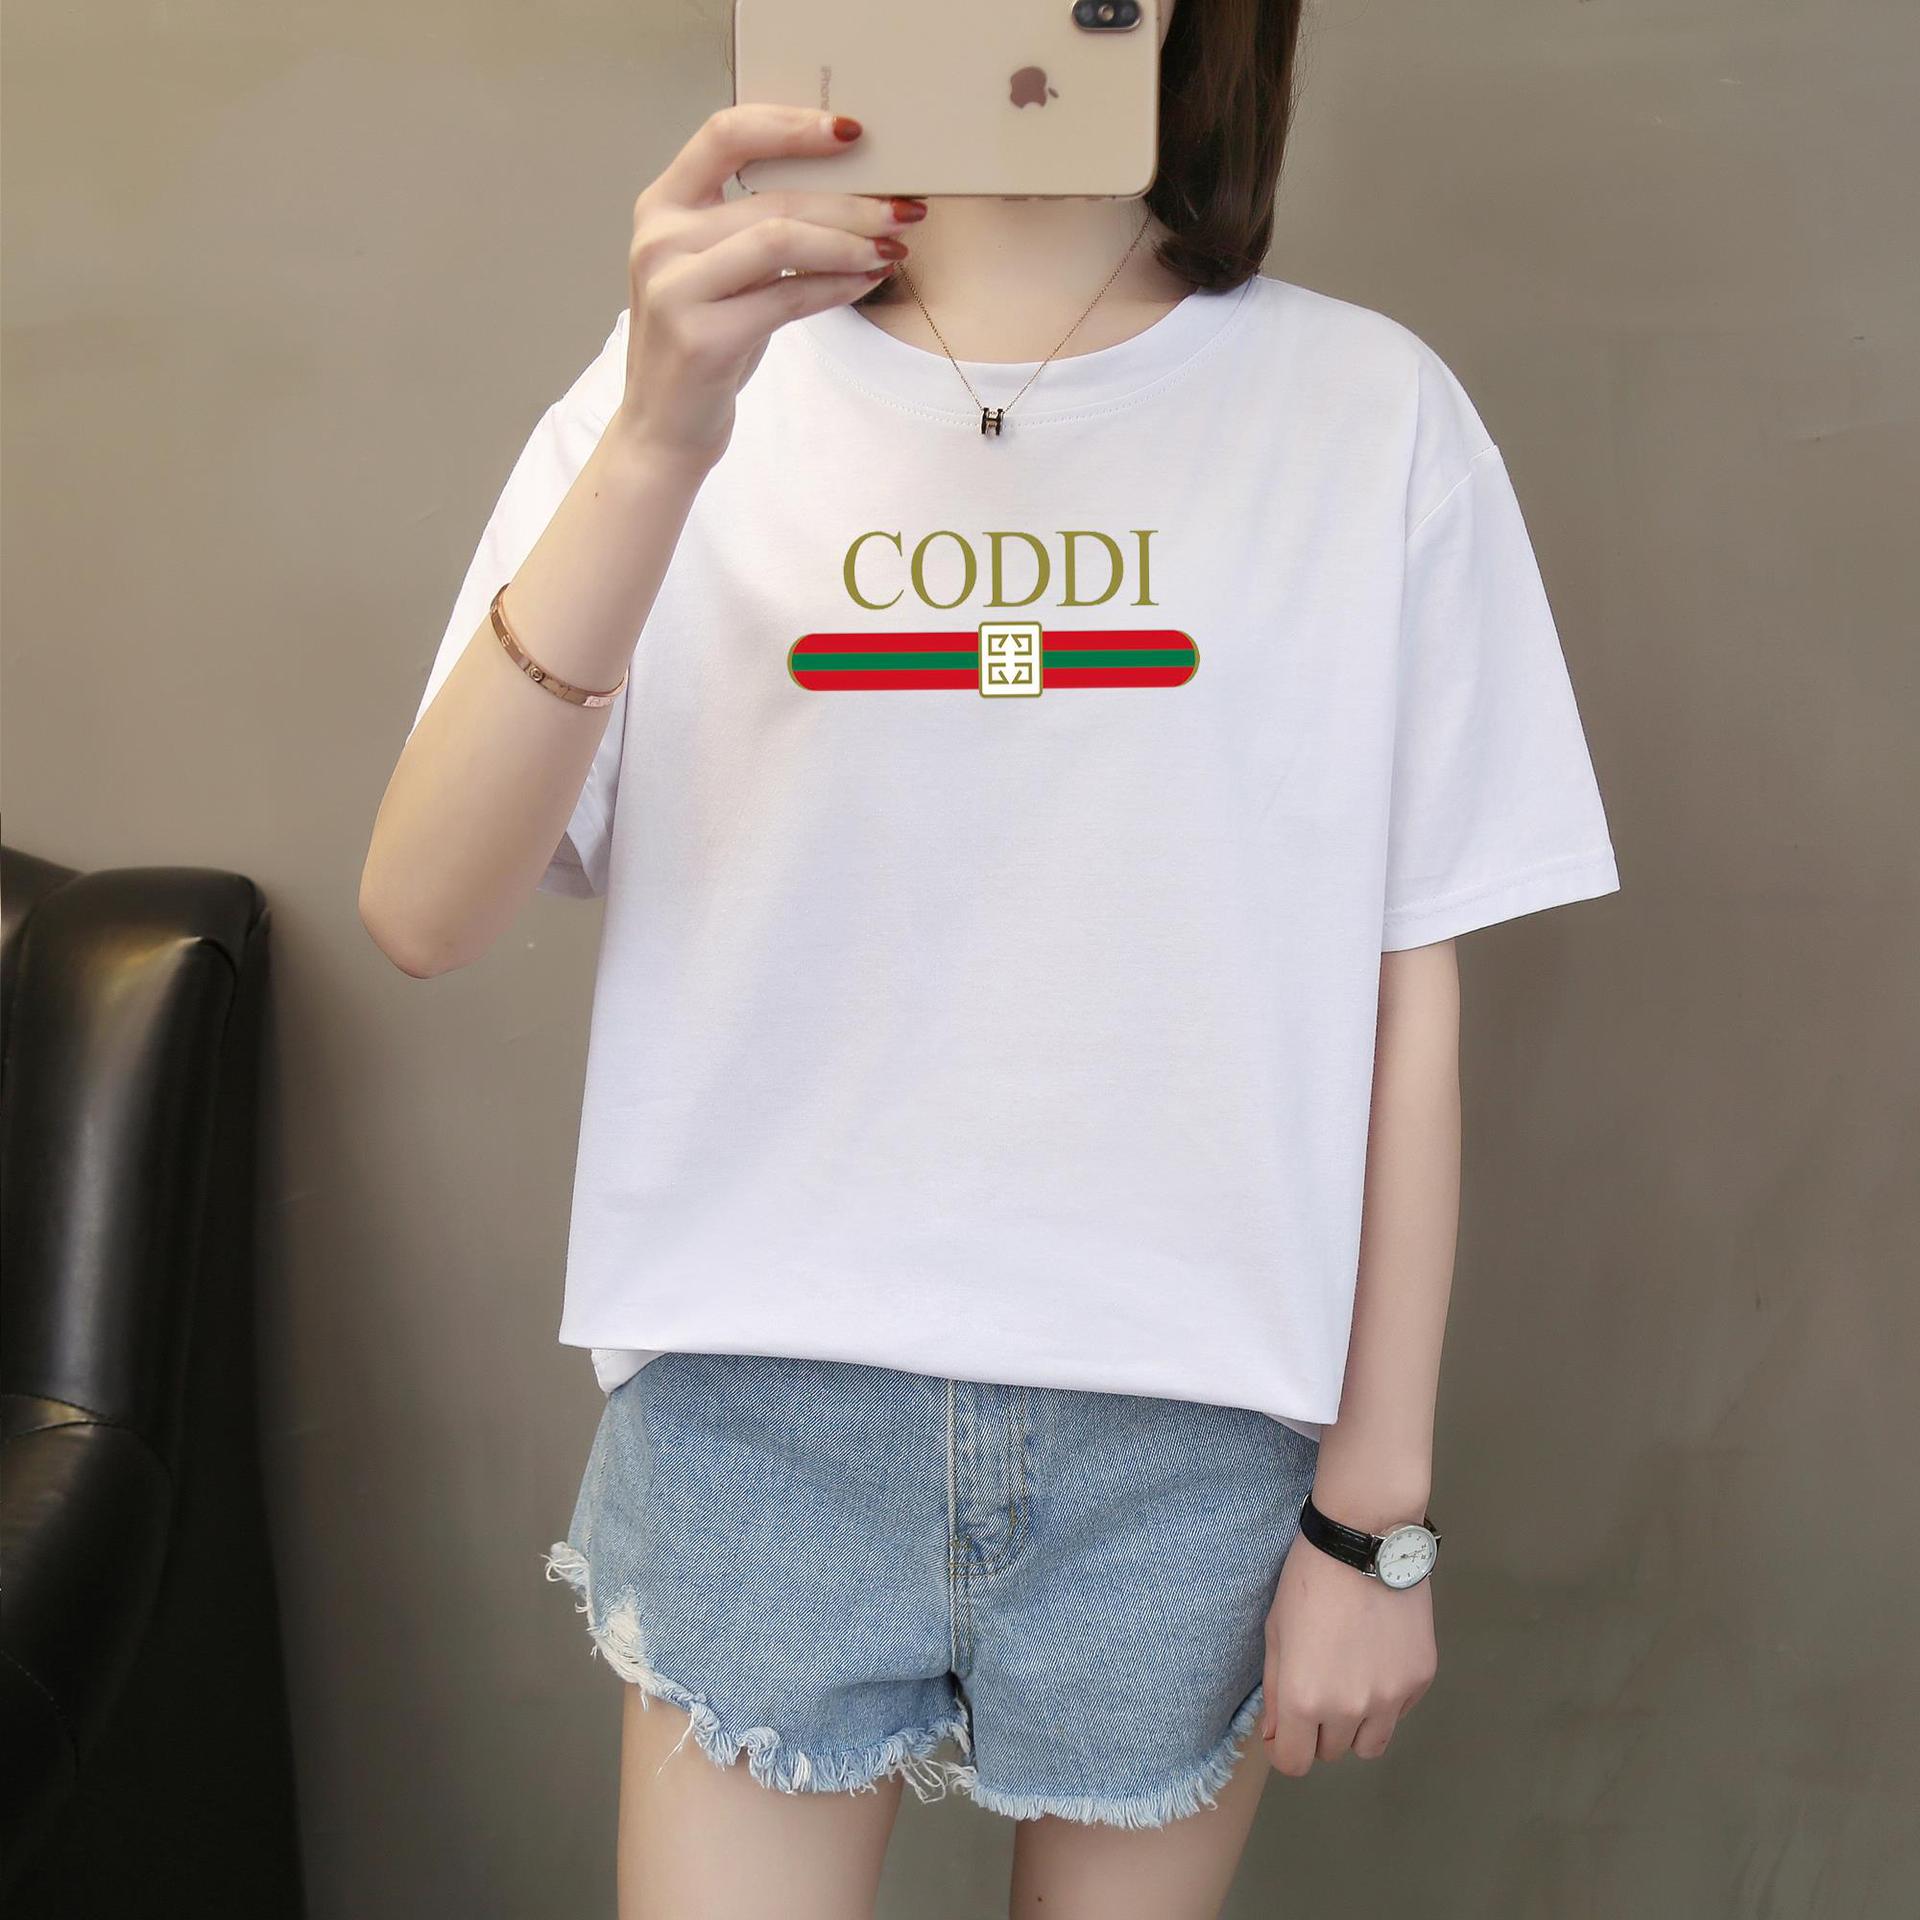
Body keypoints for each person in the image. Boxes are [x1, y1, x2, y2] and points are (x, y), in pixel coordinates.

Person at [360, 3, 1620, 1913]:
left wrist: (1378, 1520)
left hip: (1189, 1442)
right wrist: (658, 439)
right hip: (762, 1411)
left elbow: (1403, 998)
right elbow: (425, 908)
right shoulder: (673, 399)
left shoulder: (1372, 417)